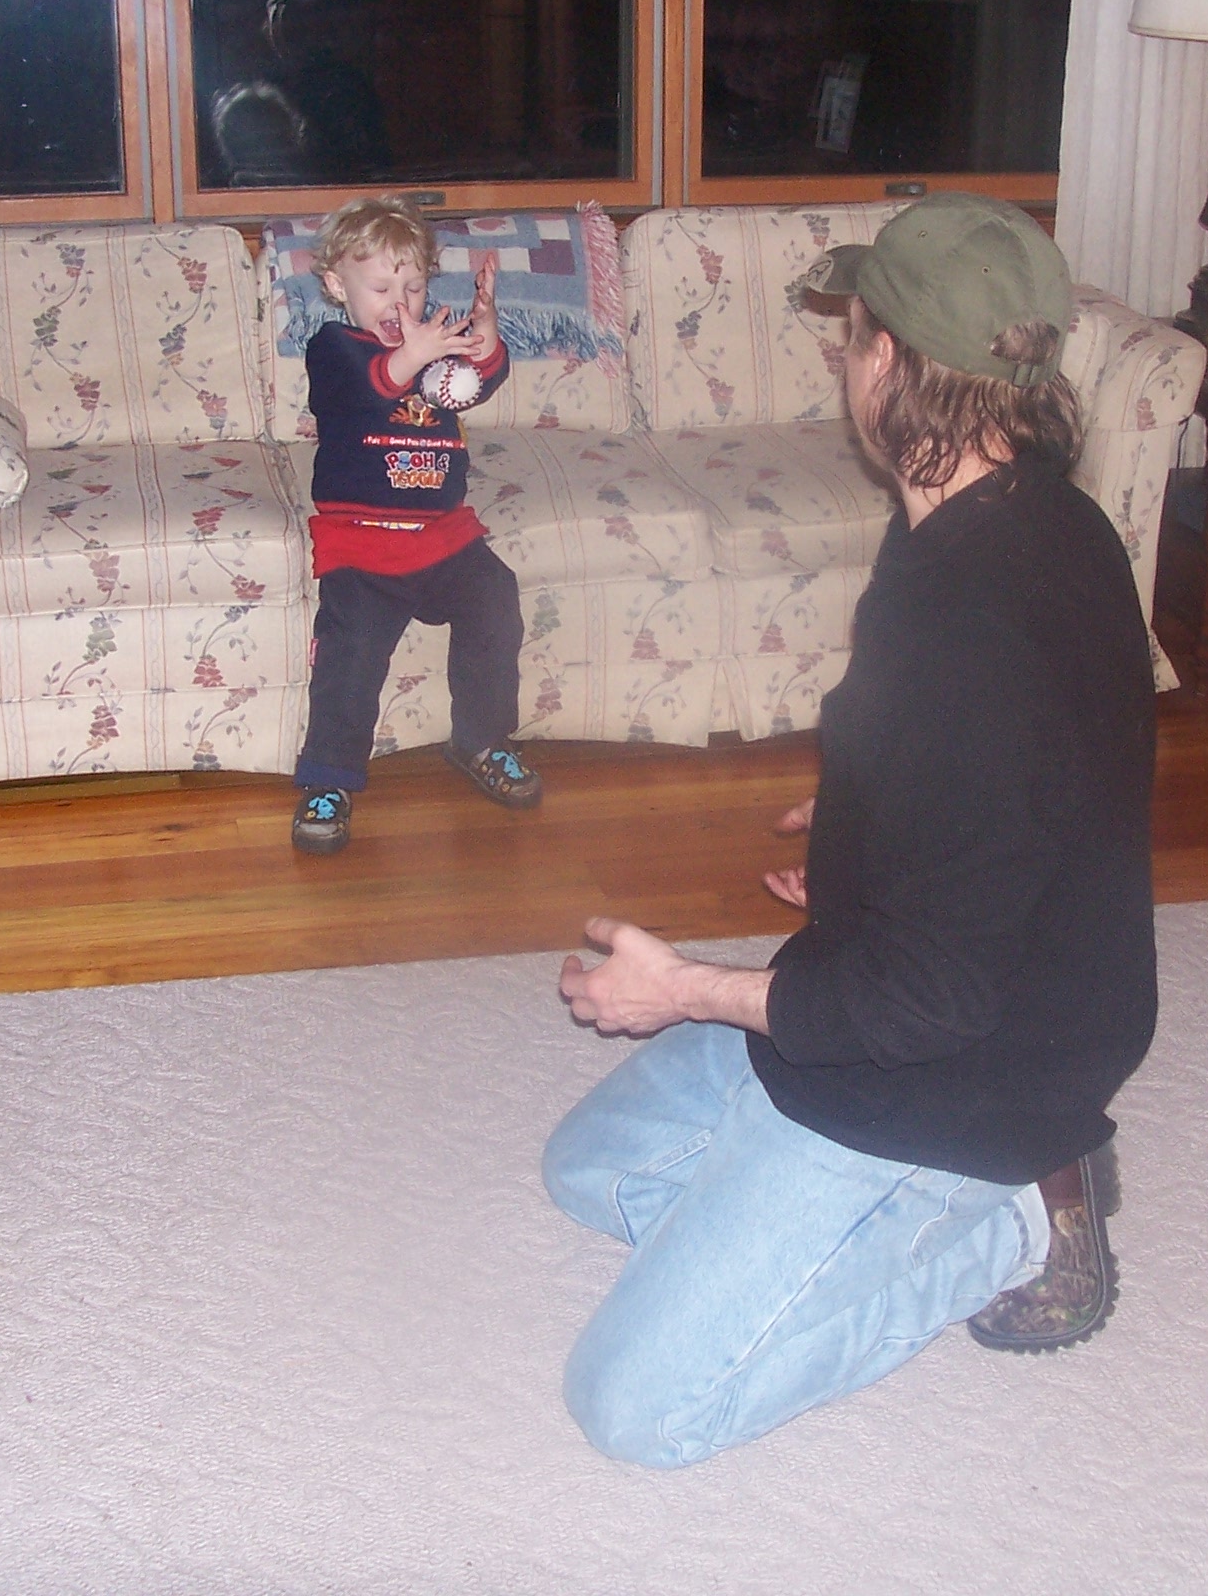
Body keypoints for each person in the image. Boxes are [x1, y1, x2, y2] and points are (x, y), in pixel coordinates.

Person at [546, 193, 1157, 1467]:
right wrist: (879, 802)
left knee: (636, 1410)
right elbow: (1039, 770)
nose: (843, 355)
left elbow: (927, 1000)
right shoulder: (1018, 517)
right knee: (587, 1170)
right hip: (917, 978)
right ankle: (828, 1218)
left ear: (887, 360)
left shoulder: (971, 630)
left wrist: (686, 990)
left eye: (853, 332)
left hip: (962, 1064)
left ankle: (1014, 1224)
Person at [293, 197, 542, 854]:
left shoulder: (429, 349)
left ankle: (482, 739)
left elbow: (473, 381)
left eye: (413, 286)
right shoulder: (335, 349)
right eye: (381, 288)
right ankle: (328, 779)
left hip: (443, 534)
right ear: (337, 285)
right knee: (350, 650)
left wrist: (484, 335)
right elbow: (371, 385)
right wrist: (418, 350)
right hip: (361, 539)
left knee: (496, 597)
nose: (400, 303)